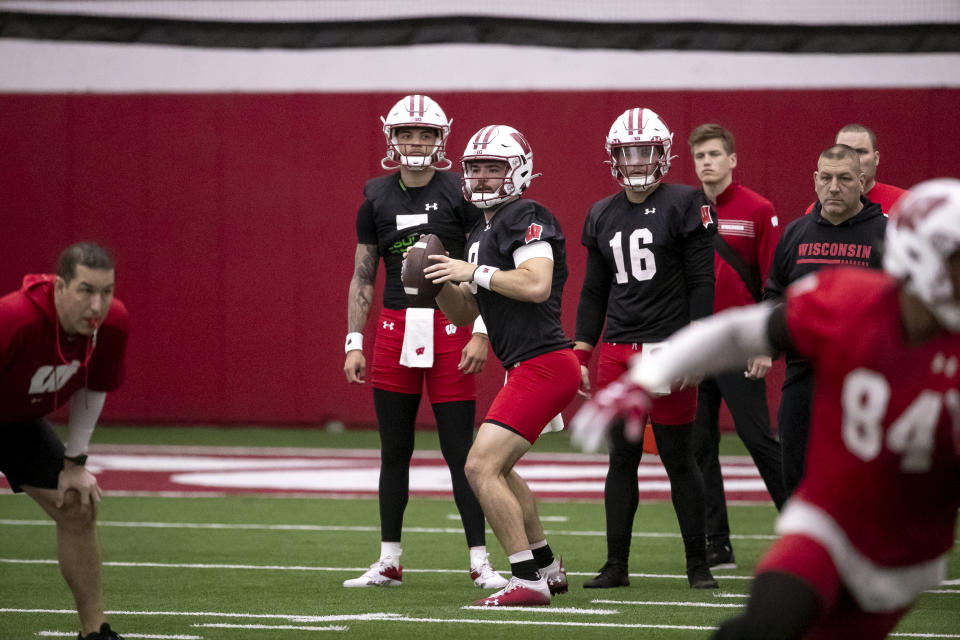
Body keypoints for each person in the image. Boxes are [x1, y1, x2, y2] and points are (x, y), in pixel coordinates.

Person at [571, 177, 960, 640]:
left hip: (908, 558)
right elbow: (741, 332)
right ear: (923, 257)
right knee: (762, 624)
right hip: (829, 525)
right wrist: (651, 374)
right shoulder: (850, 303)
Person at [342, 95, 506, 589]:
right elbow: (363, 276)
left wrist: (481, 330)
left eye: (426, 134)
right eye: (408, 133)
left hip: (451, 325)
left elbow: (485, 264)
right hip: (394, 328)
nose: (417, 142)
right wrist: (354, 340)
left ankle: (480, 561)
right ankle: (389, 559)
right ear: (391, 137)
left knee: (462, 452)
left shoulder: (461, 193)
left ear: (441, 139)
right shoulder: (375, 197)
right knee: (395, 450)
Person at [425, 124, 578, 606]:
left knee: (478, 465)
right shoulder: (479, 230)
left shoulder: (528, 214)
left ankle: (526, 579)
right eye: (475, 168)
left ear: (519, 171)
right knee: (501, 469)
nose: (484, 177)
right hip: (526, 365)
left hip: (546, 362)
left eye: (495, 167)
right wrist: (437, 282)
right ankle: (547, 566)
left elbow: (535, 284)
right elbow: (467, 312)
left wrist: (474, 271)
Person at [573, 108, 718, 590]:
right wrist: (582, 351)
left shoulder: (685, 203)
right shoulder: (600, 211)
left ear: (664, 153)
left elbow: (701, 279)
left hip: (669, 347)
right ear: (614, 158)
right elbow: (594, 290)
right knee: (622, 458)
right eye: (627, 153)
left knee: (679, 458)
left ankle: (698, 563)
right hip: (618, 348)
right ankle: (617, 564)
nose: (636, 162)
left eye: (645, 151)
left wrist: (696, 345)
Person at [0, 242, 129, 640]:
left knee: (77, 504)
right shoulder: (13, 319)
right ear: (59, 288)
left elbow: (93, 387)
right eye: (85, 290)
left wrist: (75, 463)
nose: (97, 304)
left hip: (16, 421)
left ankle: (95, 631)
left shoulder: (112, 325)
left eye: (106, 292)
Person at [688, 124, 786, 570]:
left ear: (732, 160)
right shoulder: (685, 209)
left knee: (757, 439)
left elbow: (774, 281)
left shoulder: (757, 209)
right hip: (698, 345)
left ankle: (803, 529)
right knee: (699, 446)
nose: (707, 162)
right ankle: (717, 544)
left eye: (714, 154)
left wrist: (765, 343)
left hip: (741, 344)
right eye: (699, 156)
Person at [767, 144, 887, 496]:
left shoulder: (888, 235)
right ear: (815, 181)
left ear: (862, 182)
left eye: (845, 178)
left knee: (863, 488)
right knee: (797, 481)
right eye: (827, 178)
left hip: (865, 382)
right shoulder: (795, 234)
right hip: (803, 377)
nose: (834, 187)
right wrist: (767, 341)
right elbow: (774, 293)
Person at [804, 124, 907, 214]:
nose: (853, 159)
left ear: (876, 158)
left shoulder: (905, 203)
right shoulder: (816, 211)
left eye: (861, 152)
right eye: (844, 151)